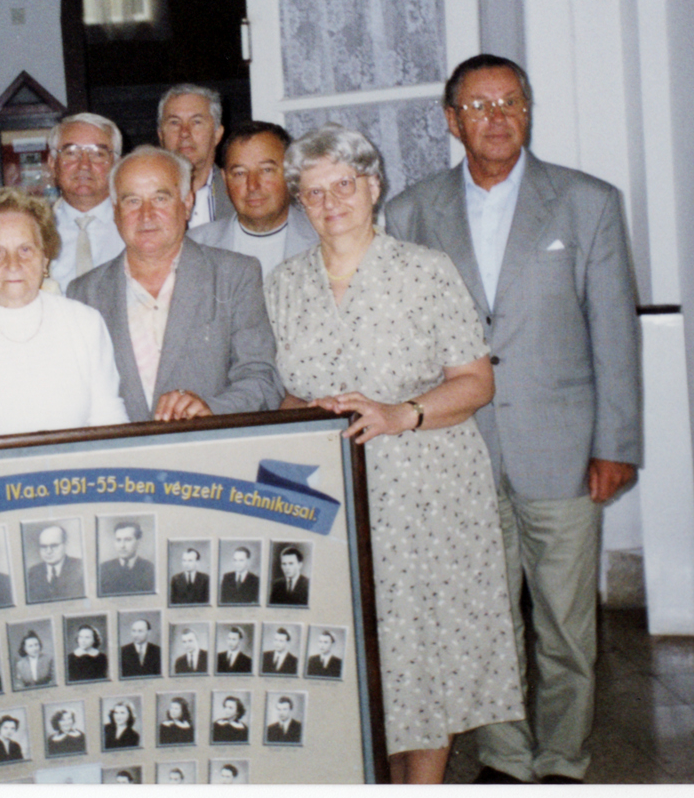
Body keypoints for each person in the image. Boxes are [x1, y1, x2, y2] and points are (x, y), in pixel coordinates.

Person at [384, 54, 640, 785]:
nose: (497, 118)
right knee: (484, 618)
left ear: (527, 111)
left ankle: (561, 758)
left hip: (562, 448)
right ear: (450, 120)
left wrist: (615, 443)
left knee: (565, 623)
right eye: (479, 105)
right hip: (457, 452)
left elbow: (613, 331)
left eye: (510, 103)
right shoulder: (410, 211)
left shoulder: (587, 202)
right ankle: (503, 756)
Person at [269, 122, 525, 785]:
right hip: (334, 493)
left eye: (343, 185)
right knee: (362, 656)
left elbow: (476, 382)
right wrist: (302, 420)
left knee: (425, 649)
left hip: (425, 488)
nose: (330, 202)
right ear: (300, 202)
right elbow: (290, 392)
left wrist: (398, 413)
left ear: (373, 186)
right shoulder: (285, 283)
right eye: (313, 191)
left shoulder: (425, 271)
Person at [68, 145, 281, 423]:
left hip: (208, 446)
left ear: (187, 203)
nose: (146, 215)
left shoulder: (234, 276)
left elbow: (263, 380)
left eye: (160, 198)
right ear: (115, 210)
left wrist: (212, 409)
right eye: (132, 201)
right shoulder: (84, 294)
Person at [0, 188, 128, 442]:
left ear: (45, 258)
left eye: (25, 250)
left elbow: (110, 424)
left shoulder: (85, 324)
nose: (13, 264)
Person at [191, 121, 317, 277]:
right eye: (240, 173)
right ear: (225, 180)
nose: (252, 185)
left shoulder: (323, 239)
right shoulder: (195, 246)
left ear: (291, 173)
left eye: (266, 170)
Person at [46, 112, 126, 291]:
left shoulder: (137, 225)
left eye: (98, 154)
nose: (84, 165)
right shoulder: (36, 228)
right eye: (71, 153)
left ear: (117, 164)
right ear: (52, 163)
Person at [156, 84, 233, 225]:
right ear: (161, 135)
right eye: (174, 123)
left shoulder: (238, 194)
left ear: (217, 134)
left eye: (196, 122)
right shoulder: (142, 199)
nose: (184, 133)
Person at [24, 523, 85, 603]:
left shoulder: (81, 567)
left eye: (54, 546)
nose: (48, 551)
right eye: (43, 546)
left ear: (65, 545)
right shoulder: (31, 573)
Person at [97, 519, 156, 595]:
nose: (122, 546)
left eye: (127, 540)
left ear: (138, 542)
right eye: (118, 540)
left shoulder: (150, 569)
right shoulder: (103, 569)